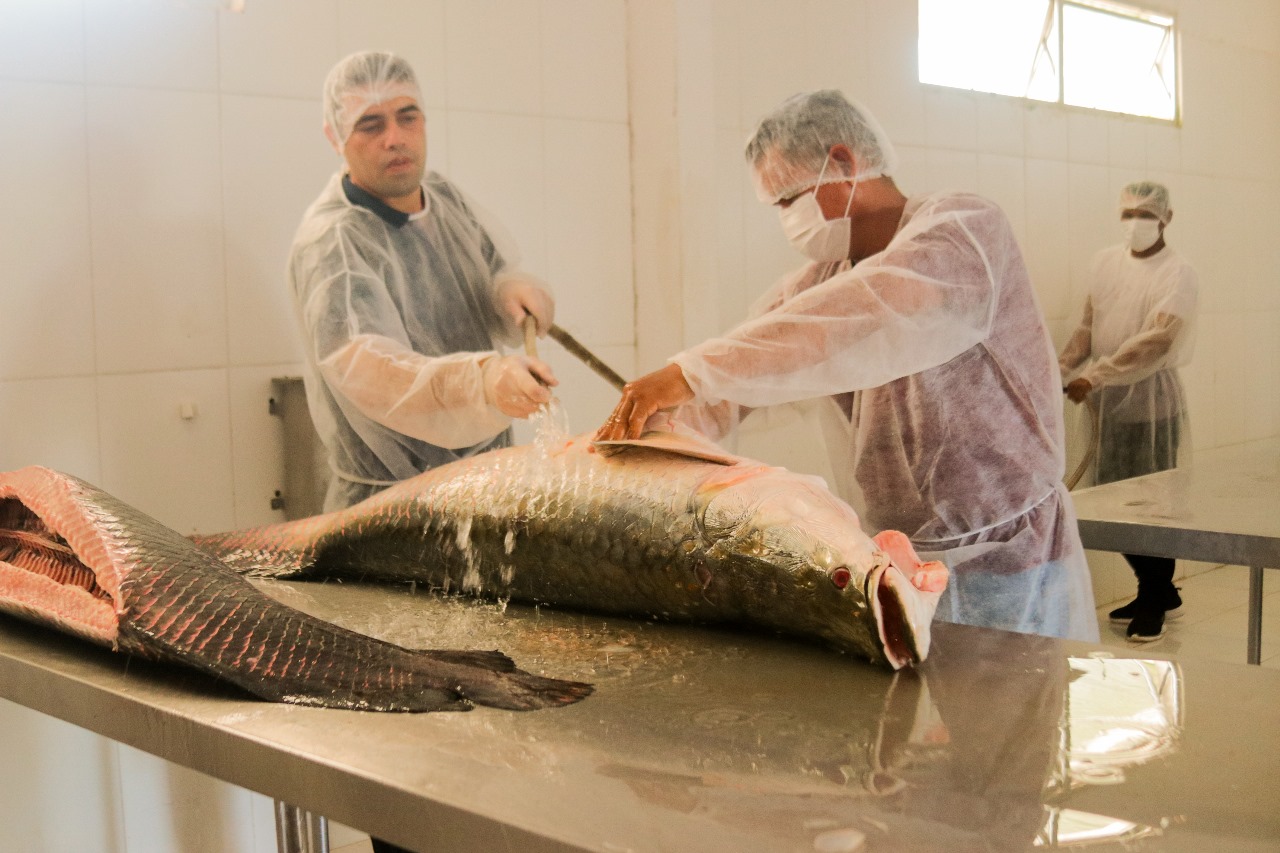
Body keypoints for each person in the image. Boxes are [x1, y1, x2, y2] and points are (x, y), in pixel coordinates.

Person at [596, 89, 1098, 643]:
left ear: (843, 162)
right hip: (897, 560)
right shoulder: (821, 281)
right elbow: (742, 373)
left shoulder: (964, 229)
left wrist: (689, 373)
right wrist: (651, 444)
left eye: (789, 199)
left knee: (1021, 695)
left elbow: (868, 307)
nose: (787, 220)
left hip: (1008, 556)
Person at [289, 51, 558, 515]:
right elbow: (372, 374)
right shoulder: (332, 242)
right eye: (370, 124)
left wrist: (507, 292)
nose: (395, 138)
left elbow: (484, 270)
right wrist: (481, 383)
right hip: (390, 510)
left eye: (407, 117)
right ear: (336, 138)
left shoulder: (442, 200)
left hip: (488, 482)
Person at [1059, 181, 1198, 642]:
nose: (1136, 222)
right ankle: (1158, 590)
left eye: (1146, 214)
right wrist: (1059, 370)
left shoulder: (1177, 273)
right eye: (1128, 213)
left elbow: (1157, 340)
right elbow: (1086, 327)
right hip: (1107, 404)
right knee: (1112, 503)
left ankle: (1155, 597)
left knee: (1152, 508)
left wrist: (1096, 375)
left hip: (1150, 404)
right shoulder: (1105, 263)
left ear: (1166, 218)